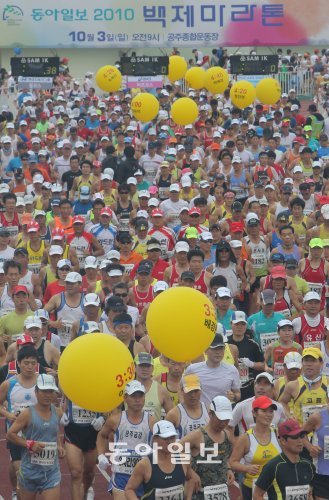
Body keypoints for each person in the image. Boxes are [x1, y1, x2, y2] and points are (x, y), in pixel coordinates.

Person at [6, 374, 65, 500]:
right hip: (29, 472)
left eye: (51, 392)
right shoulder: (27, 414)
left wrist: (59, 445)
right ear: (36, 392)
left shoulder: (58, 412)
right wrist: (29, 444)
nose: (47, 395)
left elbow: (54, 431)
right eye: (44, 391)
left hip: (51, 472)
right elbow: (10, 434)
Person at [97, 380, 154, 499]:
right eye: (133, 396)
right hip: (121, 475)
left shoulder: (152, 421)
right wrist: (101, 455)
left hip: (143, 477)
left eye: (140, 396)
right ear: (125, 398)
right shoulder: (116, 419)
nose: (137, 400)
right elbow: (102, 435)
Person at [0, 345, 39, 500]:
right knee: (19, 470)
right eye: (26, 363)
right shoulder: (9, 384)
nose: (30, 367)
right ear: (18, 363)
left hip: (38, 433)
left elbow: (52, 406)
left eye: (33, 363)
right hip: (16, 434)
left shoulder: (43, 382)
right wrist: (8, 414)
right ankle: (18, 493)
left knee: (34, 475)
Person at [125, 420, 198, 500]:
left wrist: (188, 498)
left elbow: (191, 478)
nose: (169, 442)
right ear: (155, 439)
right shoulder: (145, 465)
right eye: (165, 438)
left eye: (172, 437)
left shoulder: (183, 460)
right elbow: (129, 489)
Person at [180, 396, 235, 500]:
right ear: (210, 414)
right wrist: (190, 473)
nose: (223, 423)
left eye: (226, 419)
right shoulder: (197, 435)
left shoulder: (227, 434)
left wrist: (228, 469)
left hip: (222, 492)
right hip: (200, 493)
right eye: (220, 419)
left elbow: (223, 456)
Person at [230, 396, 281, 500]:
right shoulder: (245, 438)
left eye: (271, 411)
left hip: (275, 488)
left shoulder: (278, 434)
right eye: (264, 411)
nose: (268, 415)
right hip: (252, 489)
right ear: (254, 413)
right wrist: (246, 468)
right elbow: (233, 462)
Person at [254, 419, 314, 500]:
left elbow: (310, 495)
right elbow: (257, 495)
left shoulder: (309, 465)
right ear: (283, 441)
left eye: (301, 436)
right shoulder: (273, 466)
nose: (300, 441)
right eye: (295, 437)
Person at [61, 397, 105, 500]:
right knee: (75, 473)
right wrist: (61, 413)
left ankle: (85, 493)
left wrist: (103, 419)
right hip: (73, 431)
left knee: (89, 473)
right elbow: (62, 400)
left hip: (93, 431)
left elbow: (111, 405)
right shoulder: (70, 382)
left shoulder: (100, 384)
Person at [185, 333, 241, 406]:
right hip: (202, 414)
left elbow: (238, 393)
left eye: (221, 348)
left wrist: (234, 397)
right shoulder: (192, 369)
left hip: (223, 414)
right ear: (205, 350)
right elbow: (182, 389)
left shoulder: (232, 370)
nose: (218, 352)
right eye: (214, 348)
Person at [279, 347, 329, 425]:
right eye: (306, 360)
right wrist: (289, 416)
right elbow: (282, 402)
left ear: (321, 362)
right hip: (302, 433)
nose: (309, 364)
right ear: (302, 362)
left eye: (313, 360)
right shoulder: (292, 385)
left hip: (324, 432)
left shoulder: (328, 382)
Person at [227, 311, 265, 400]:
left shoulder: (253, 344)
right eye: (236, 324)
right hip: (230, 389)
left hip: (249, 388)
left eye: (242, 324)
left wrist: (252, 364)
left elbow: (263, 365)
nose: (239, 327)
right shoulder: (225, 344)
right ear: (231, 324)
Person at [44, 271, 84, 351]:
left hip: (79, 344)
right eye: (67, 283)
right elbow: (40, 314)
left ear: (80, 285)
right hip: (60, 344)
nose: (69, 286)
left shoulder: (86, 300)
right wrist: (52, 323)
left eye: (72, 283)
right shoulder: (57, 298)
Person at [134, 352, 174, 420]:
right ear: (134, 367)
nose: (145, 369)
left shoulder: (161, 391)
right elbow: (116, 413)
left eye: (148, 366)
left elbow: (173, 417)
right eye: (141, 365)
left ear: (152, 368)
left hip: (154, 430)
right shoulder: (126, 388)